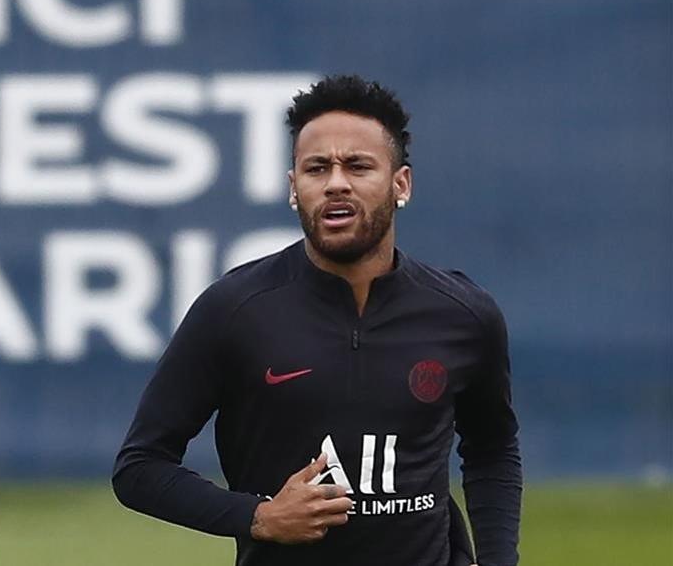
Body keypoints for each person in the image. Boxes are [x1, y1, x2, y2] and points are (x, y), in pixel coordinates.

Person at [112, 75, 521, 566]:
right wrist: (258, 517)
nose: (335, 183)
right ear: (293, 188)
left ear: (401, 184)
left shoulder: (463, 313)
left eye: (358, 165)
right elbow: (139, 468)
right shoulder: (235, 311)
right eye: (316, 168)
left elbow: (492, 447)